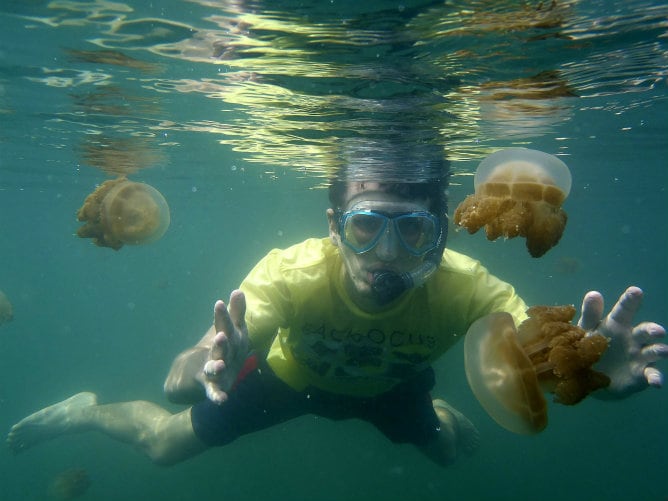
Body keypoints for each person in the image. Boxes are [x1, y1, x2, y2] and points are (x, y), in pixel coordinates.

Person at [6, 143, 667, 468]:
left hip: (391, 384)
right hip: (290, 376)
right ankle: (85, 411)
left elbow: (545, 356)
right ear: (332, 224)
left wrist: (593, 374)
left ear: (444, 230)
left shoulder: (471, 288)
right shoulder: (291, 272)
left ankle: (431, 411)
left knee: (448, 454)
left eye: (413, 231)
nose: (386, 253)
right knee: (160, 446)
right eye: (364, 226)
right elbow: (189, 371)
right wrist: (197, 368)